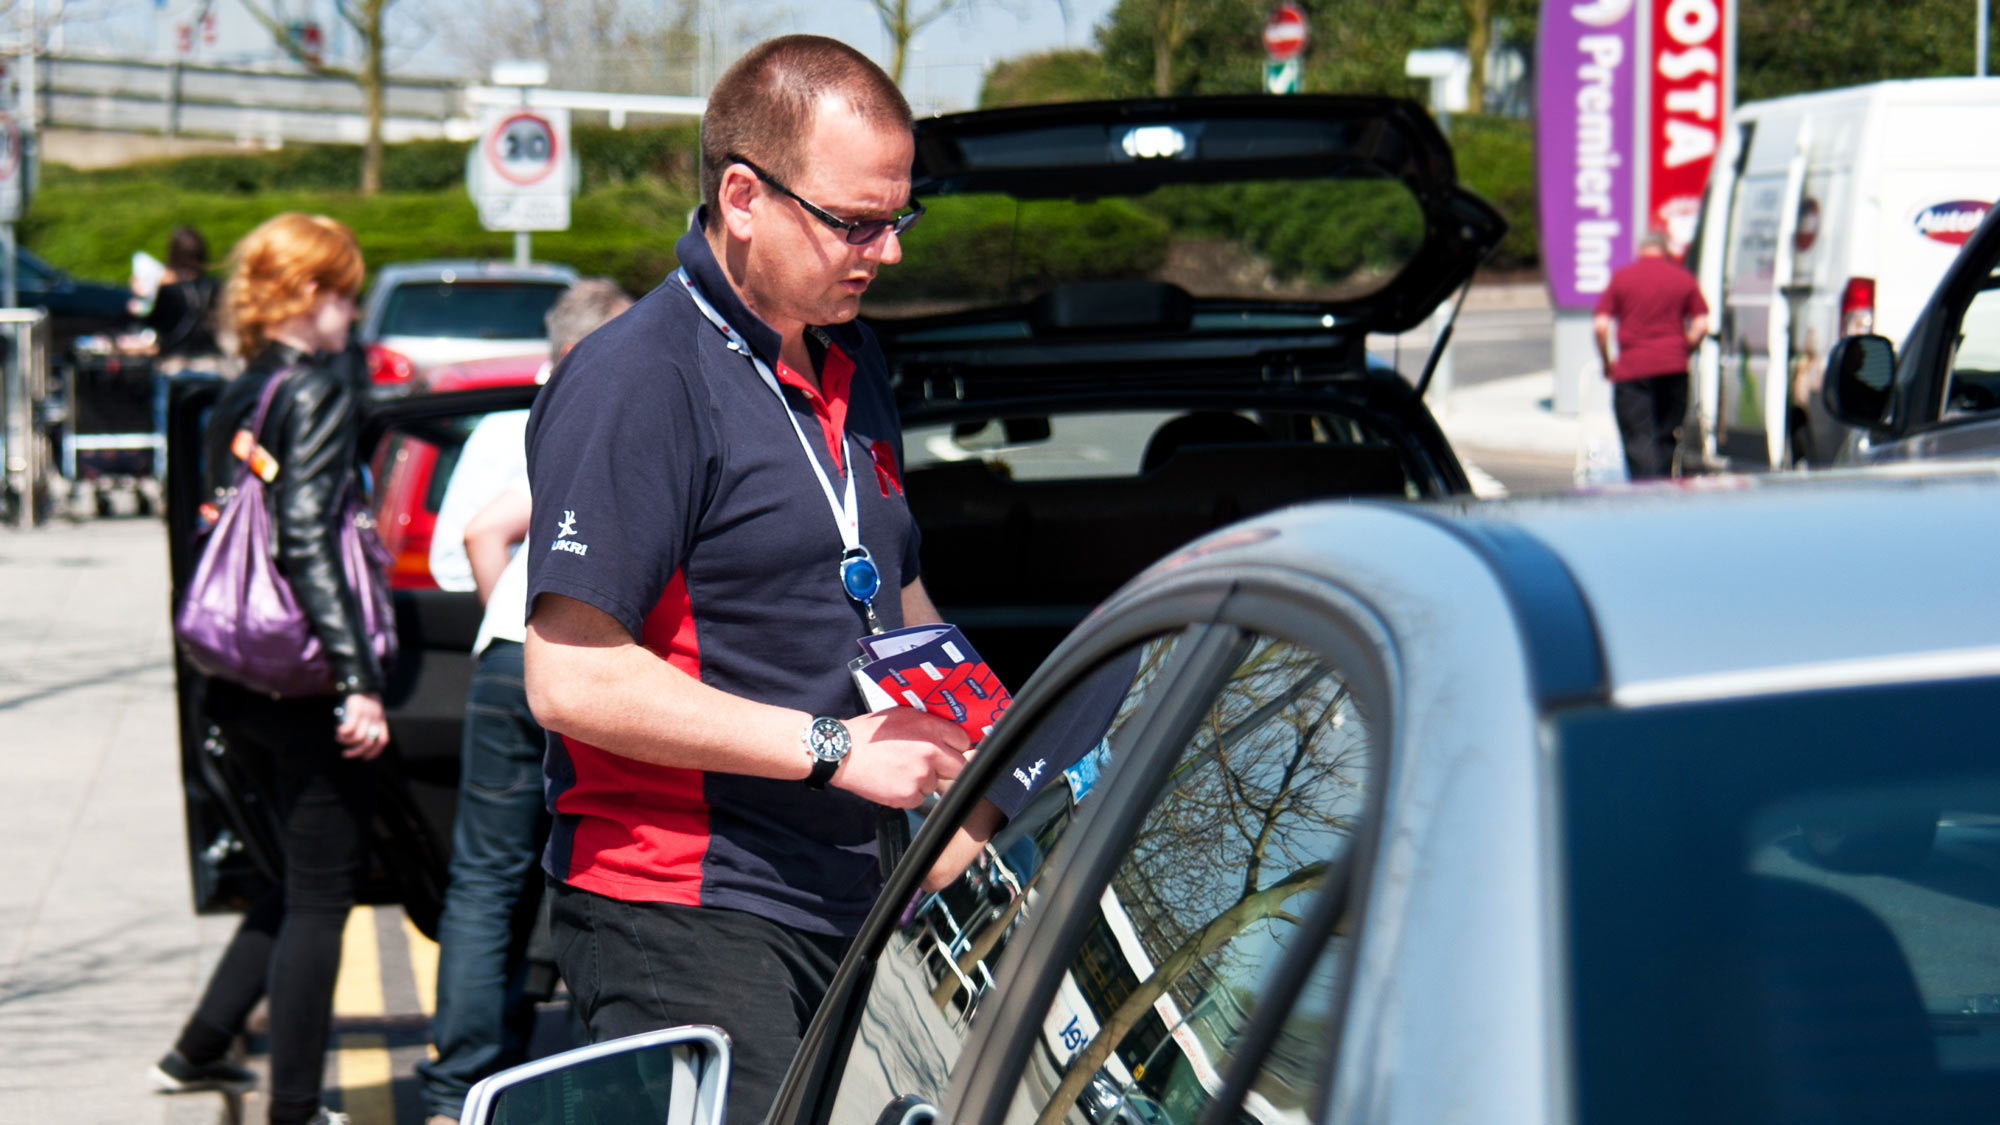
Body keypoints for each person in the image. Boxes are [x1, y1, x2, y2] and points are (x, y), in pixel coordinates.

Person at [520, 35, 969, 1125]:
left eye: (895, 221)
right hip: (680, 903)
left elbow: (891, 597)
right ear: (742, 196)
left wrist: (975, 755)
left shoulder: (850, 365)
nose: (884, 253)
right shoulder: (639, 378)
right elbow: (569, 679)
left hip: (839, 891)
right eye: (854, 223)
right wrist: (834, 750)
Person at [152, 213, 389, 1125]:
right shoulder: (319, 389)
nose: (353, 310)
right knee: (324, 894)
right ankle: (293, 1109)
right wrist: (357, 677)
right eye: (344, 293)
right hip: (303, 676)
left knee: (291, 877)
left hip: (237, 666)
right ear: (308, 296)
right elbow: (306, 543)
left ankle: (198, 1047)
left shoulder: (240, 389)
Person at [418, 279, 634, 1125]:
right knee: (586, 865)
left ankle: (455, 1084)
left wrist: (508, 619)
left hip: (502, 654)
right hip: (579, 662)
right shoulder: (608, 418)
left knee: (480, 878)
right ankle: (582, 1078)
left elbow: (477, 533)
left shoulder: (509, 425)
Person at [1593, 229, 1710, 479]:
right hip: (1673, 367)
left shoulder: (1622, 278)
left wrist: (1606, 362)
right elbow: (1701, 324)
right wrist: (1684, 347)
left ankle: (1645, 493)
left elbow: (1601, 327)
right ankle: (1665, 488)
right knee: (1667, 435)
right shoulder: (1682, 278)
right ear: (1665, 250)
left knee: (1638, 439)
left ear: (1640, 251)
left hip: (1632, 371)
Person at [142, 226, 223, 366]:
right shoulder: (216, 287)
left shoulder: (169, 290)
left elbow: (153, 324)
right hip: (212, 361)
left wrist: (143, 297)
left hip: (175, 361)